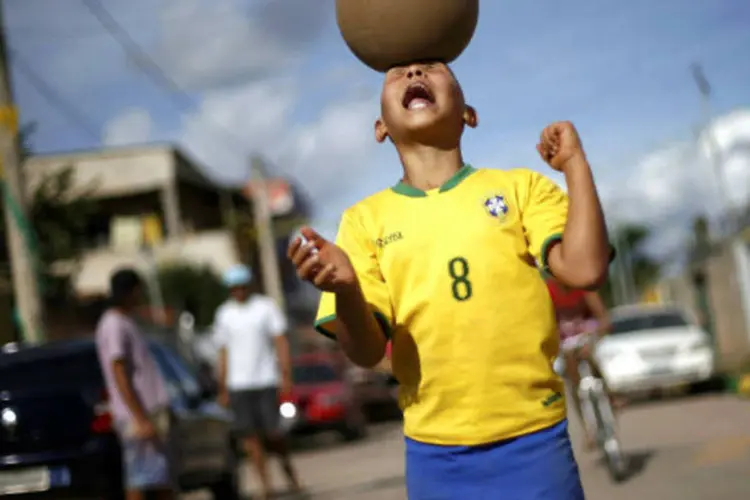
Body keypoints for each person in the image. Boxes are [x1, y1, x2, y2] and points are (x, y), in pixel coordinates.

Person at [288, 61, 612, 499]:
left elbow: (586, 269)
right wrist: (345, 290)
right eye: (397, 72)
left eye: (433, 68)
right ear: (380, 127)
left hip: (535, 440)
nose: (414, 73)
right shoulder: (363, 222)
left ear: (469, 114)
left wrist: (574, 165)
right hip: (435, 455)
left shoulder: (520, 189)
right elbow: (364, 351)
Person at [214, 264, 301, 500]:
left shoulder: (265, 307)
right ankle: (266, 486)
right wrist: (222, 387)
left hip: (265, 380)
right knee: (250, 439)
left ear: (248, 286)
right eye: (233, 288)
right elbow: (223, 352)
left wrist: (286, 376)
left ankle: (289, 472)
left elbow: (280, 341)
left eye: (241, 287)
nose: (238, 292)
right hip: (239, 384)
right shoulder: (224, 314)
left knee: (274, 434)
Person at [95, 268, 176, 500]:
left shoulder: (125, 321)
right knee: (141, 479)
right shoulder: (113, 325)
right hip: (137, 415)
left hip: (148, 412)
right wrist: (139, 417)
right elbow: (118, 371)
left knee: (159, 478)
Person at [546, 275, 613, 450]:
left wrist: (597, 334)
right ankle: (587, 429)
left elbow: (602, 316)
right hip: (565, 340)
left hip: (586, 334)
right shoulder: (548, 292)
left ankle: (611, 396)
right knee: (571, 376)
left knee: (591, 357)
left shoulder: (582, 286)